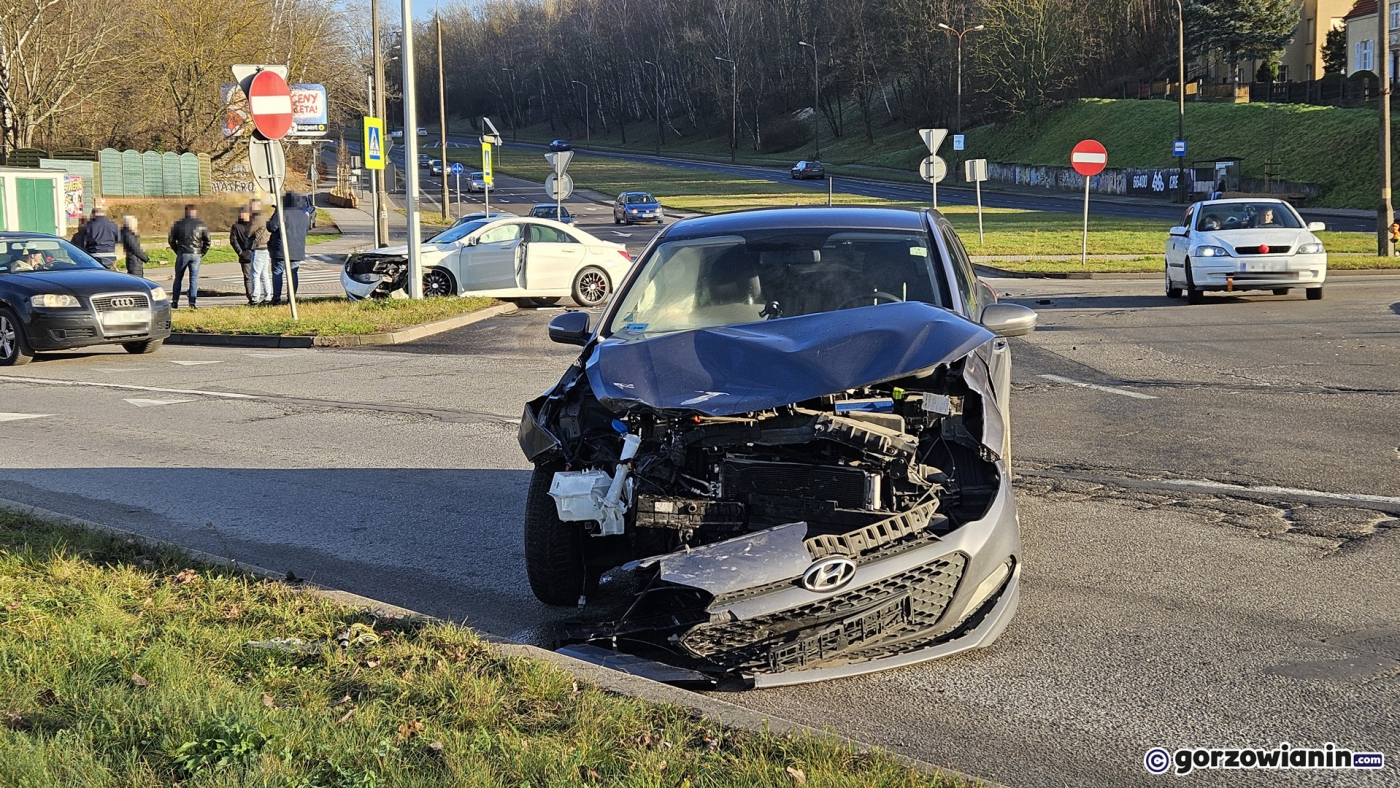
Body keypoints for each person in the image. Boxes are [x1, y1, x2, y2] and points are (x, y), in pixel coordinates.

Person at [268, 192, 312, 306]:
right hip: (297, 249)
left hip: (281, 249)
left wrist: (272, 217)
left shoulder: (282, 213)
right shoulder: (304, 215)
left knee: (277, 272)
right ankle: (291, 299)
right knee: (293, 273)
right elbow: (306, 230)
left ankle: (276, 299)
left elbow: (272, 227)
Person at [167, 204, 211, 309]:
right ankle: (192, 303)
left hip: (183, 253)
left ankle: (175, 301)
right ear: (195, 212)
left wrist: (177, 250)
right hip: (196, 254)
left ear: (186, 212)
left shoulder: (178, 224)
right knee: (193, 279)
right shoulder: (201, 224)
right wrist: (202, 252)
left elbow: (171, 239)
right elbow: (208, 241)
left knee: (178, 278)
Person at [248, 199, 272, 304]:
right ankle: (267, 296)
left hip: (258, 248)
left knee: (255, 274)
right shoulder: (266, 216)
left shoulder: (257, 218)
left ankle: (255, 297)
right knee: (264, 274)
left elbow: (249, 232)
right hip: (266, 247)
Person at [229, 207, 255, 305]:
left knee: (258, 276)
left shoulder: (254, 225)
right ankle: (251, 297)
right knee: (248, 277)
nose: (244, 216)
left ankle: (258, 295)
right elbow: (233, 240)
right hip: (245, 255)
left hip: (256, 253)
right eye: (242, 214)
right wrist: (240, 252)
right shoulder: (236, 226)